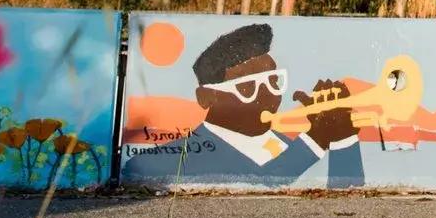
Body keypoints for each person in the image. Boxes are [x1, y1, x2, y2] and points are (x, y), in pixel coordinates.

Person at [123, 23, 364, 187]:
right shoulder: (153, 164)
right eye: (248, 88)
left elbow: (346, 207)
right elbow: (260, 187)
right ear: (206, 97)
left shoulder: (284, 145)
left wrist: (343, 136)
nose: (268, 96)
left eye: (274, 82)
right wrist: (316, 139)